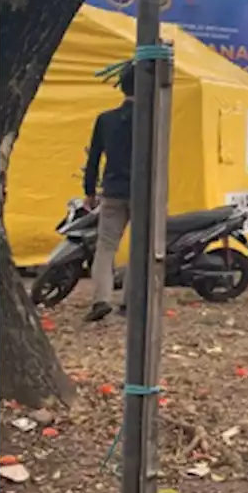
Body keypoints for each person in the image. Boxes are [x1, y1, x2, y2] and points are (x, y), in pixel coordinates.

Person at [82, 65, 135, 322]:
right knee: (142, 246)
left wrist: (89, 191)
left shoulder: (106, 119)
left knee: (105, 247)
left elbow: (94, 158)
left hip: (113, 190)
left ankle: (101, 299)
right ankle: (130, 300)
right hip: (144, 192)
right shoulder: (152, 118)